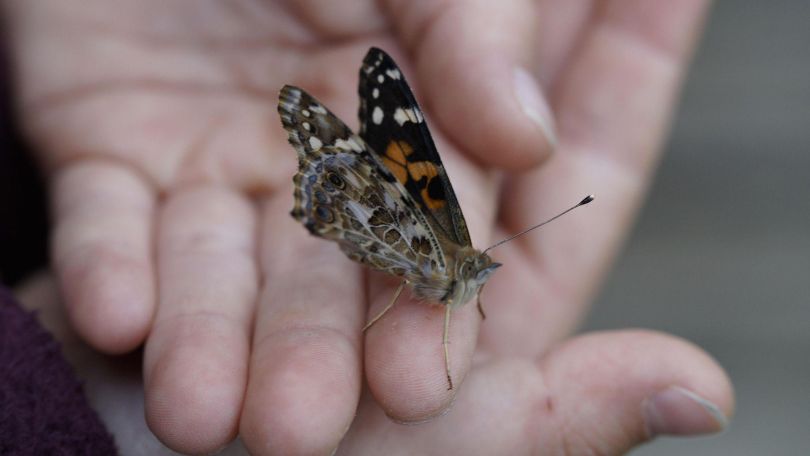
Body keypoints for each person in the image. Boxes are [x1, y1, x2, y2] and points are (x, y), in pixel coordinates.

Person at [4, 0, 734, 454]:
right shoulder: (439, 253)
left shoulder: (457, 264)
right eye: (480, 271)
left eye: (481, 272)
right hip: (351, 208)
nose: (485, 269)